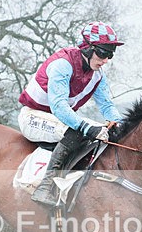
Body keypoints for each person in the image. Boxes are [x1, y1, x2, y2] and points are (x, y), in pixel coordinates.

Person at [19, 21, 124, 207]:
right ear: (87, 48)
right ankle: (45, 186)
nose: (106, 59)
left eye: (111, 54)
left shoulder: (97, 75)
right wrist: (85, 127)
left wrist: (118, 123)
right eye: (103, 52)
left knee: (102, 131)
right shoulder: (63, 64)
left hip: (56, 119)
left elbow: (107, 105)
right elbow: (58, 106)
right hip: (33, 116)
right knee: (79, 130)